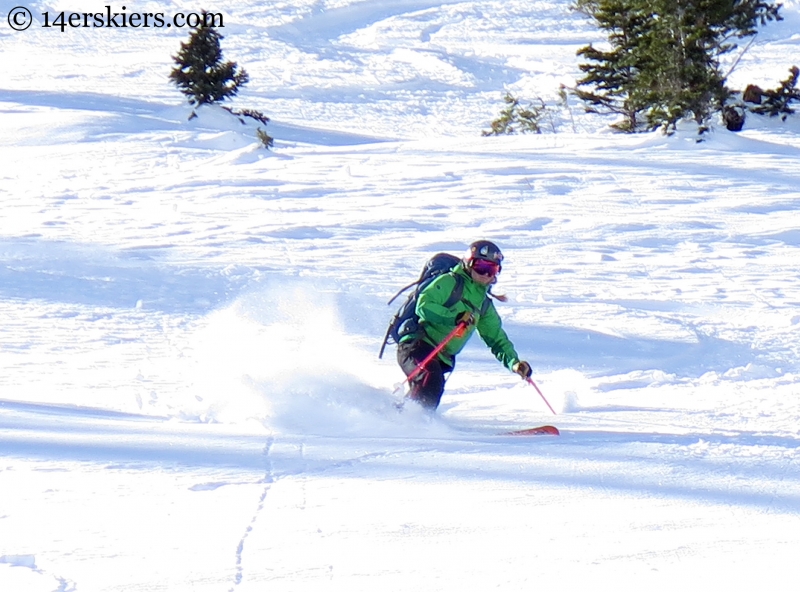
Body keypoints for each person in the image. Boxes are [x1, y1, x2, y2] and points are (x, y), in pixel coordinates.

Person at [396, 240, 532, 410]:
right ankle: (411, 422)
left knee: (432, 385)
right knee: (429, 378)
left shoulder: (483, 304)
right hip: (417, 345)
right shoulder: (450, 282)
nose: (486, 274)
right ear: (469, 263)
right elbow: (424, 305)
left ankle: (401, 417)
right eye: (482, 267)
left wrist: (514, 363)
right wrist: (454, 317)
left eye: (492, 269)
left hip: (441, 357)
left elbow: (496, 339)